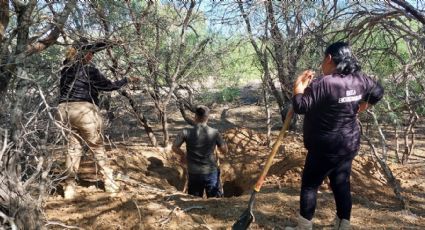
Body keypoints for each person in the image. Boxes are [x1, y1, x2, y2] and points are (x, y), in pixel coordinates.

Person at [286, 42, 384, 230]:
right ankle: (343, 224)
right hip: (348, 144)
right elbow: (378, 93)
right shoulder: (360, 79)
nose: (323, 63)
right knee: (341, 182)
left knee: (310, 185)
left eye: (324, 58)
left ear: (329, 58)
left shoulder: (324, 83)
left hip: (324, 147)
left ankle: (304, 227)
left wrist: (298, 87)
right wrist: (361, 107)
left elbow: (300, 107)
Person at [56, 38, 139, 199]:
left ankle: (69, 188)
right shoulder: (89, 70)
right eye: (90, 53)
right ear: (83, 53)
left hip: (64, 111)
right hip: (84, 111)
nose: (92, 56)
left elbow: (79, 51)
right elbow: (109, 86)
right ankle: (109, 183)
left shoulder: (66, 68)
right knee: (97, 147)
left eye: (93, 53)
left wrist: (107, 44)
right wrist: (126, 80)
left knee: (73, 148)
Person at [172, 105, 228, 198]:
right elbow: (224, 150)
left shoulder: (185, 132)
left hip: (194, 173)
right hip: (211, 172)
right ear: (207, 117)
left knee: (194, 199)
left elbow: (174, 147)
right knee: (214, 201)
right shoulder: (214, 132)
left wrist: (183, 154)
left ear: (195, 117)